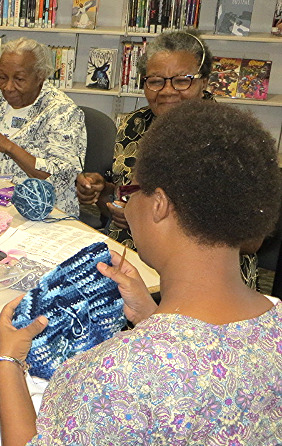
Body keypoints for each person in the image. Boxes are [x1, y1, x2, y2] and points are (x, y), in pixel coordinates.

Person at [0, 101, 282, 446]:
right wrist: (151, 315)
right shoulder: (275, 321)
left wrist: (9, 359)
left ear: (160, 205)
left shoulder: (126, 373)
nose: (125, 205)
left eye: (131, 193)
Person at [75, 29, 260, 288]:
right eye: (156, 80)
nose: (168, 91)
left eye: (182, 80)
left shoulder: (232, 136)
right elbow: (128, 194)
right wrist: (104, 192)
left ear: (204, 81)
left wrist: (150, 220)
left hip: (206, 276)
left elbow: (252, 239)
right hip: (133, 260)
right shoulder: (134, 126)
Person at [0, 37, 86, 216]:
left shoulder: (63, 112)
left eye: (19, 79)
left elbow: (60, 178)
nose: (8, 87)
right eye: (3, 77)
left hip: (39, 209)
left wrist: (8, 146)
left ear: (40, 76)